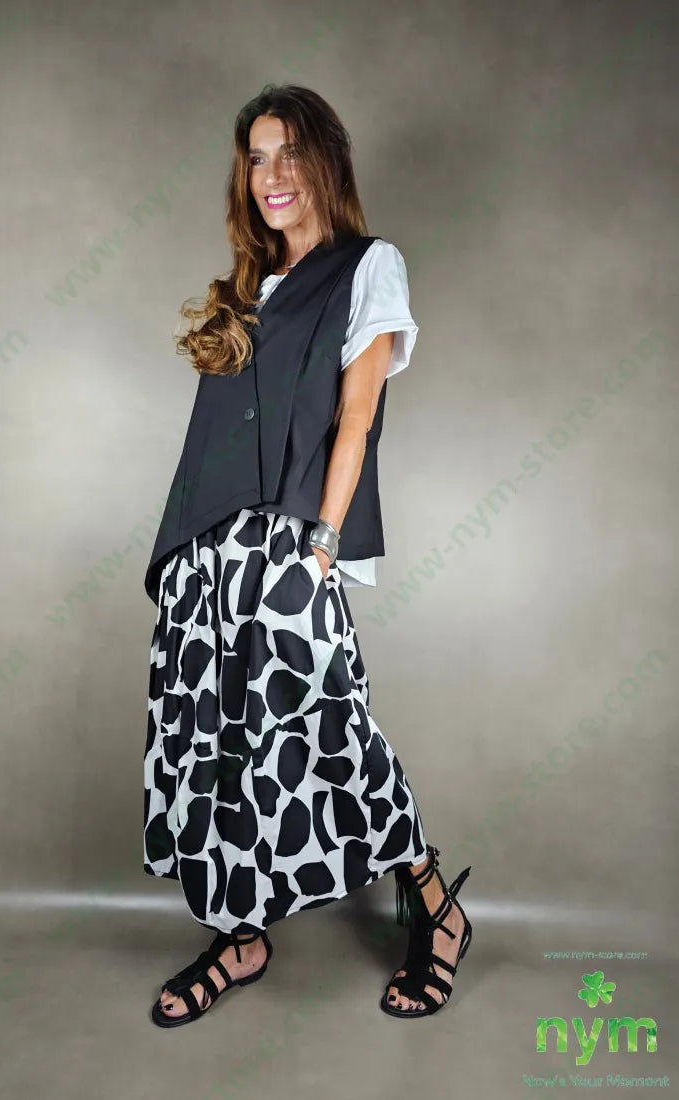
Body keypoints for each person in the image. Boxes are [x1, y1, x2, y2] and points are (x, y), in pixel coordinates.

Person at [142, 83, 473, 1028]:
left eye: (288, 152)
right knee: (214, 743)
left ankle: (436, 906)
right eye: (256, 158)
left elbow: (356, 418)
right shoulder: (249, 288)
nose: (270, 175)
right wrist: (186, 562)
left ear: (325, 160)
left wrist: (319, 548)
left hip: (288, 544)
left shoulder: (368, 266)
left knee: (329, 728)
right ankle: (238, 934)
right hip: (205, 549)